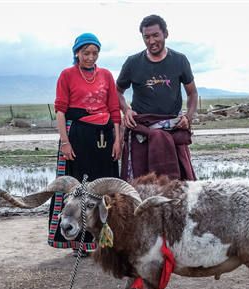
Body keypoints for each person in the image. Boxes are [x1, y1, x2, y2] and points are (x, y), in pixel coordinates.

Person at [48, 32, 122, 256]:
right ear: (77, 53)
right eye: (86, 52)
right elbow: (60, 111)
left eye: (95, 53)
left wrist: (117, 139)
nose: (91, 57)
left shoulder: (107, 75)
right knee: (78, 188)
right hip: (78, 136)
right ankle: (79, 243)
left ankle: (107, 241)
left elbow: (114, 109)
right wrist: (65, 142)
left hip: (104, 136)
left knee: (105, 188)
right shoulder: (67, 75)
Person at [116, 14, 198, 181]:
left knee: (179, 186)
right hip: (142, 131)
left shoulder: (180, 60)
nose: (151, 41)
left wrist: (188, 117)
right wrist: (126, 110)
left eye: (155, 35)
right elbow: (117, 91)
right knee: (140, 184)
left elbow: (192, 93)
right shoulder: (132, 63)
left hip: (172, 131)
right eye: (146, 37)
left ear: (165, 34)